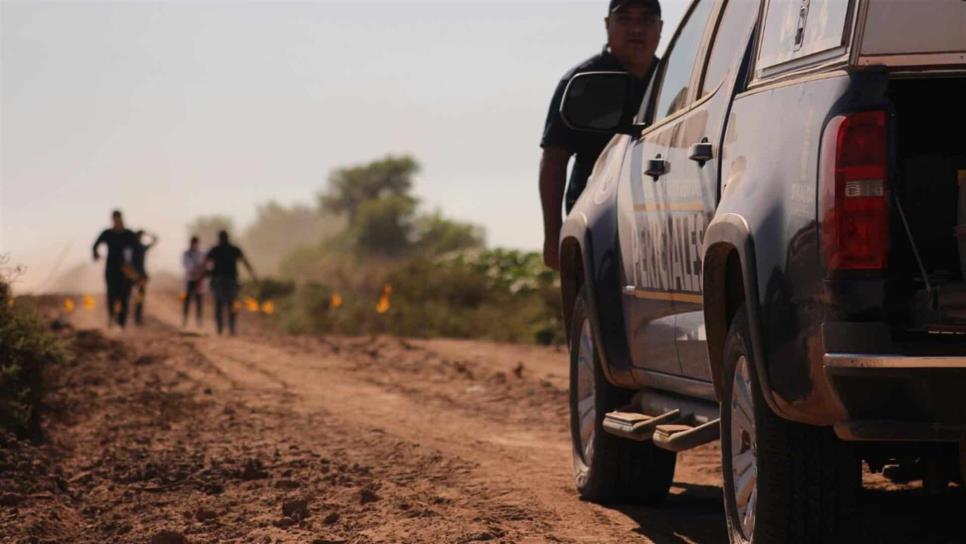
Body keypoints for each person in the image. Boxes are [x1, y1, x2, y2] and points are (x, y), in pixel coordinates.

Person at [539, 0, 662, 269]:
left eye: (646, 20)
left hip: (665, 221)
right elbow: (554, 159)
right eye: (625, 19)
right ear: (608, 25)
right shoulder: (582, 81)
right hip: (596, 222)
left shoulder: (677, 79)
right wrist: (552, 236)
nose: (636, 29)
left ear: (660, 28)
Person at [205, 230, 258, 336]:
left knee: (219, 305)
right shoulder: (234, 249)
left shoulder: (215, 250)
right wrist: (253, 276)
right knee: (232, 305)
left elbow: (204, 264)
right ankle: (231, 328)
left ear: (219, 238)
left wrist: (200, 275)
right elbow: (245, 263)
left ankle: (221, 328)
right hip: (230, 281)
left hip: (219, 281)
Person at [92, 210, 138, 328]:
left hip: (126, 271)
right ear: (113, 219)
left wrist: (135, 269)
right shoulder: (107, 233)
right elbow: (95, 245)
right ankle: (111, 318)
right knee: (111, 295)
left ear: (121, 218)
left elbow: (138, 250)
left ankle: (121, 324)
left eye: (118, 218)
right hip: (111, 269)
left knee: (124, 296)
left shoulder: (129, 234)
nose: (117, 221)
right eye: (115, 219)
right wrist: (95, 254)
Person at [130, 230, 158, 325]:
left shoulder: (135, 247)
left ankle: (137, 317)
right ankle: (136, 317)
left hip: (138, 276)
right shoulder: (139, 247)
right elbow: (155, 240)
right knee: (137, 297)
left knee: (139, 297)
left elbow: (155, 240)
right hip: (135, 276)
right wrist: (148, 234)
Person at [182, 236, 206, 328]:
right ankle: (185, 319)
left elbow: (205, 265)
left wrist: (200, 273)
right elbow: (187, 266)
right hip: (190, 280)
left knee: (199, 301)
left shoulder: (201, 253)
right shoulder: (186, 254)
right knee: (187, 301)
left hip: (199, 281)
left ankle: (199, 321)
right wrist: (194, 271)